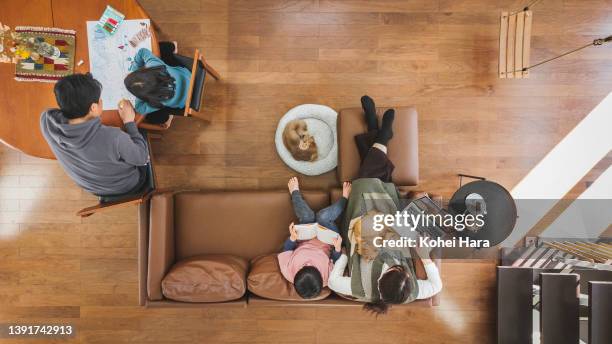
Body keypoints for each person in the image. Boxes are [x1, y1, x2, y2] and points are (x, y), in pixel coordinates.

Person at [327, 95, 442, 314]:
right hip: (391, 227)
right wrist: (425, 257)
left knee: (367, 182)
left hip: (359, 227)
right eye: (404, 271)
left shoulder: (361, 289)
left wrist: (342, 255)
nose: (403, 270)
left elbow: (333, 282)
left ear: (381, 284)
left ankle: (382, 135)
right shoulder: (411, 291)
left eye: (397, 270)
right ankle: (379, 134)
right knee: (376, 181)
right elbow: (437, 286)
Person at [40, 73, 150, 197]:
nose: (101, 101)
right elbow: (142, 158)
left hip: (93, 187)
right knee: (141, 133)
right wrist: (129, 122)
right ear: (93, 107)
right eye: (99, 100)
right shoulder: (114, 137)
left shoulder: (46, 121)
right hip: (127, 185)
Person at [278, 177, 351, 299]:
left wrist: (292, 238)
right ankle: (344, 198)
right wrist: (337, 248)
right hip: (327, 240)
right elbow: (335, 259)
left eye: (304, 266)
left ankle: (295, 193)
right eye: (312, 266)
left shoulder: (288, 271)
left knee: (308, 216)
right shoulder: (328, 278)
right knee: (322, 217)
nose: (308, 262)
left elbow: (286, 250)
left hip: (304, 237)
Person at [124, 42, 191, 123]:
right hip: (188, 76)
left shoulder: (157, 100)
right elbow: (142, 51)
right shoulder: (154, 65)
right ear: (145, 71)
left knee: (152, 117)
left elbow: (139, 109)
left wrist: (140, 94)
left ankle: (167, 120)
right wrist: (133, 71)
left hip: (186, 101)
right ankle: (173, 46)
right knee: (161, 49)